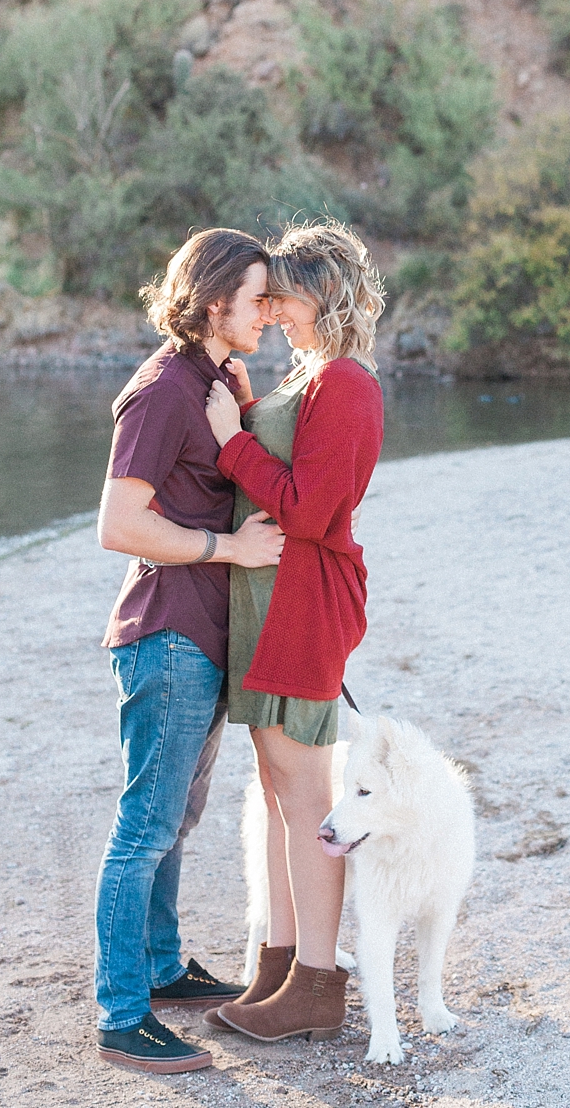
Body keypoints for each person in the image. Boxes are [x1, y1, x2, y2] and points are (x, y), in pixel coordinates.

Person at [93, 228, 286, 1076]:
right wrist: (228, 552)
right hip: (167, 634)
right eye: (257, 300)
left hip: (198, 639)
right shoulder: (165, 389)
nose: (271, 314)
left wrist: (240, 406)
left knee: (176, 822)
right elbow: (119, 524)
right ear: (216, 303)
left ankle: (164, 972)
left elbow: (206, 480)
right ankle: (122, 1013)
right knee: (144, 830)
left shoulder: (205, 381)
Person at [200, 219, 385, 1044]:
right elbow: (293, 464)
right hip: (272, 597)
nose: (269, 306)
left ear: (321, 292)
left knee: (305, 795)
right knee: (278, 791)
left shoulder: (346, 381)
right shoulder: (312, 374)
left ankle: (317, 981)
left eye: (280, 292)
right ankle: (279, 967)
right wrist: (246, 406)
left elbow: (308, 509)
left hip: (304, 600)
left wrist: (232, 442)